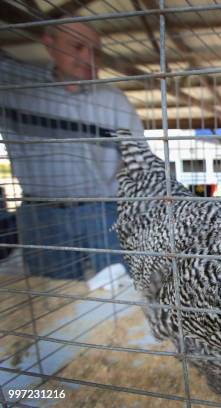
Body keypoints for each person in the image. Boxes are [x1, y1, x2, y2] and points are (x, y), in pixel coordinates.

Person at [0, 21, 143, 281]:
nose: (88, 57)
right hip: (41, 213)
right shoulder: (14, 86)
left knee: (121, 290)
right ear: (49, 44)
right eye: (77, 47)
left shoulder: (115, 101)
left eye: (95, 51)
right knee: (53, 297)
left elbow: (139, 163)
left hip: (104, 212)